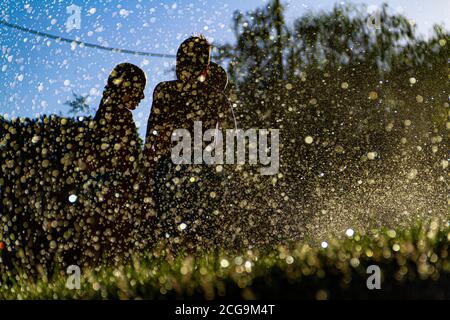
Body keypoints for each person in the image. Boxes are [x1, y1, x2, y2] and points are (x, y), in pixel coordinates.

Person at [143, 36, 235, 252]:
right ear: (206, 68)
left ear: (177, 63)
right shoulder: (216, 97)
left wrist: (146, 173)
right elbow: (232, 139)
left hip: (170, 168)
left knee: (172, 231)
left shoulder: (164, 91)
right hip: (206, 168)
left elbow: (151, 138)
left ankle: (176, 275)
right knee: (203, 231)